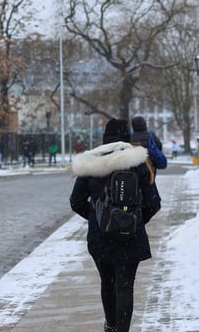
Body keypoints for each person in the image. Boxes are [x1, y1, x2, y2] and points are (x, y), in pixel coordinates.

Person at [69, 118, 162, 332]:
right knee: (125, 286)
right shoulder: (138, 162)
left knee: (107, 284)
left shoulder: (91, 163)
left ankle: (110, 326)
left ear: (104, 137)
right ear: (127, 137)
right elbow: (154, 202)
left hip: (101, 238)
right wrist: (133, 222)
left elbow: (76, 201)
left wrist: (99, 219)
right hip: (132, 238)